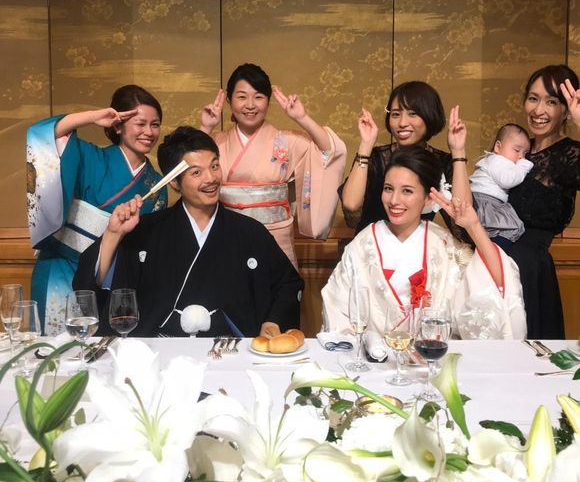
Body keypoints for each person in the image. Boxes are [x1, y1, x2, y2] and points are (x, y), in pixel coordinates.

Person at [74, 126, 303, 338]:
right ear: (174, 182)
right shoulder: (147, 231)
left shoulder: (249, 232)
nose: (211, 178)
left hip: (231, 352)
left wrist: (273, 322)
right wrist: (114, 234)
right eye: (196, 172)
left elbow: (288, 284)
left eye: (214, 166)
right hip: (160, 354)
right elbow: (93, 290)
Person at [322, 146, 527, 340]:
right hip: (373, 357)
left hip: (431, 354)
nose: (394, 200)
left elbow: (496, 285)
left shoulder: (442, 243)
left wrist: (473, 226)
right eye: (388, 188)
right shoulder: (364, 243)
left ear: (428, 198)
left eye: (407, 191)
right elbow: (337, 307)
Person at [27, 85, 167, 335]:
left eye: (155, 124)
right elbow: (45, 135)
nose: (149, 132)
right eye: (140, 124)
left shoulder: (155, 185)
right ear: (118, 126)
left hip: (112, 280)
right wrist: (92, 117)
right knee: (58, 351)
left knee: (100, 351)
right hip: (62, 265)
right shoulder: (88, 156)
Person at [200, 63, 347, 268]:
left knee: (277, 285)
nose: (250, 105)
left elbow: (329, 151)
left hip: (276, 238)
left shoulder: (286, 141)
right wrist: (205, 128)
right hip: (227, 235)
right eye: (242, 97)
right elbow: (188, 170)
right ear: (229, 101)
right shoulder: (214, 143)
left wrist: (302, 118)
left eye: (258, 97)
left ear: (268, 101)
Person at [339, 81, 471, 235]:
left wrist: (458, 151)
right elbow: (351, 206)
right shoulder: (376, 158)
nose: (402, 123)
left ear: (429, 115)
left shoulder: (441, 162)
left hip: (418, 245)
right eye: (395, 114)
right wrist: (365, 145)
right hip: (372, 244)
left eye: (412, 114)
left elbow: (464, 215)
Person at [508, 65, 580, 339]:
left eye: (551, 102)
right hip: (492, 264)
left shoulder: (570, 154)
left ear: (566, 109)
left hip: (530, 272)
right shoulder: (514, 148)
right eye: (533, 98)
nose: (539, 110)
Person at [470, 123, 533, 251]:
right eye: (517, 150)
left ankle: (490, 251)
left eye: (525, 153)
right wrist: (524, 166)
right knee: (512, 226)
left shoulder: (494, 160)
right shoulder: (497, 160)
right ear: (498, 147)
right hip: (485, 201)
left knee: (500, 229)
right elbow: (508, 180)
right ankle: (497, 252)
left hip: (484, 201)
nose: (521, 156)